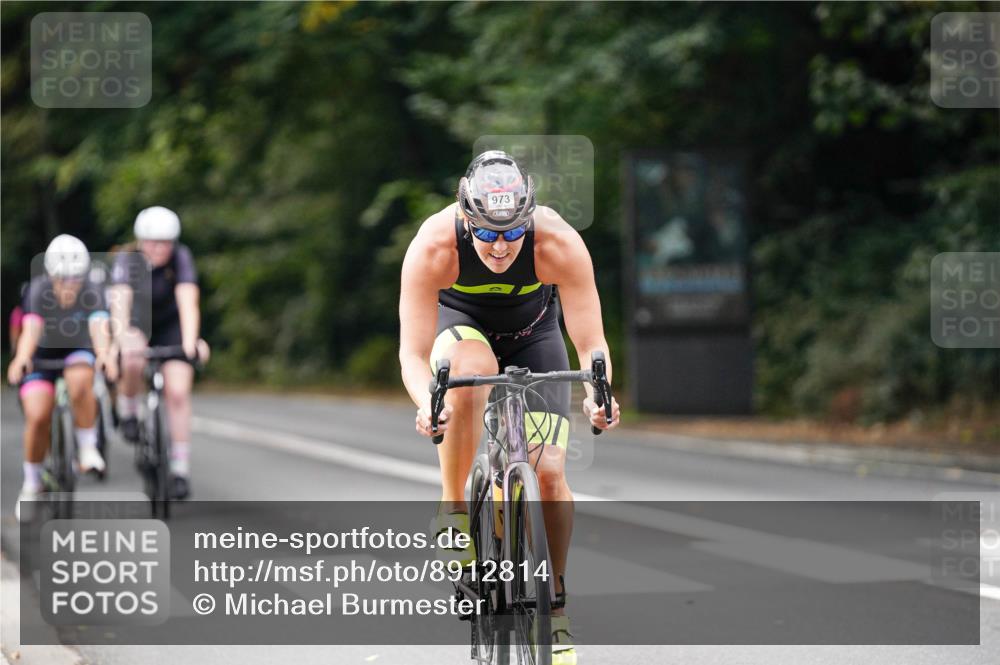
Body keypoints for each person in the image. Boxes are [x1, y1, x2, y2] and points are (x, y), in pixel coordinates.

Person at [399, 150, 620, 664]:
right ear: (466, 219)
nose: (500, 247)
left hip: (533, 338)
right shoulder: (434, 244)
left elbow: (591, 343)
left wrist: (598, 393)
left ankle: (555, 607)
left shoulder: (558, 241)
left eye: (512, 235)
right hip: (462, 332)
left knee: (547, 475)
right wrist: (426, 403)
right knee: (471, 364)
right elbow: (411, 352)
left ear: (528, 220)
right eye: (487, 235)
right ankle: (454, 508)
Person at [7, 235, 115, 522]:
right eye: (64, 279)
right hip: (42, 356)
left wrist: (104, 354)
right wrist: (20, 359)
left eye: (76, 278)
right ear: (52, 275)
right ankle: (32, 483)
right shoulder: (37, 289)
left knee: (81, 380)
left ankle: (88, 446)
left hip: (77, 350)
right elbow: (31, 329)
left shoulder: (92, 288)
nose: (70, 285)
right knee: (38, 415)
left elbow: (99, 324)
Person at [108, 206, 208, 500]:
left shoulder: (181, 257)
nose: (159, 249)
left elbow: (189, 302)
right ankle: (127, 407)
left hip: (170, 325)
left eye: (165, 242)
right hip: (138, 323)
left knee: (177, 392)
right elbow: (120, 304)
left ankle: (179, 468)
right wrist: (119, 339)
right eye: (152, 242)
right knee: (131, 355)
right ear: (140, 241)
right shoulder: (128, 260)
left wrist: (191, 341)